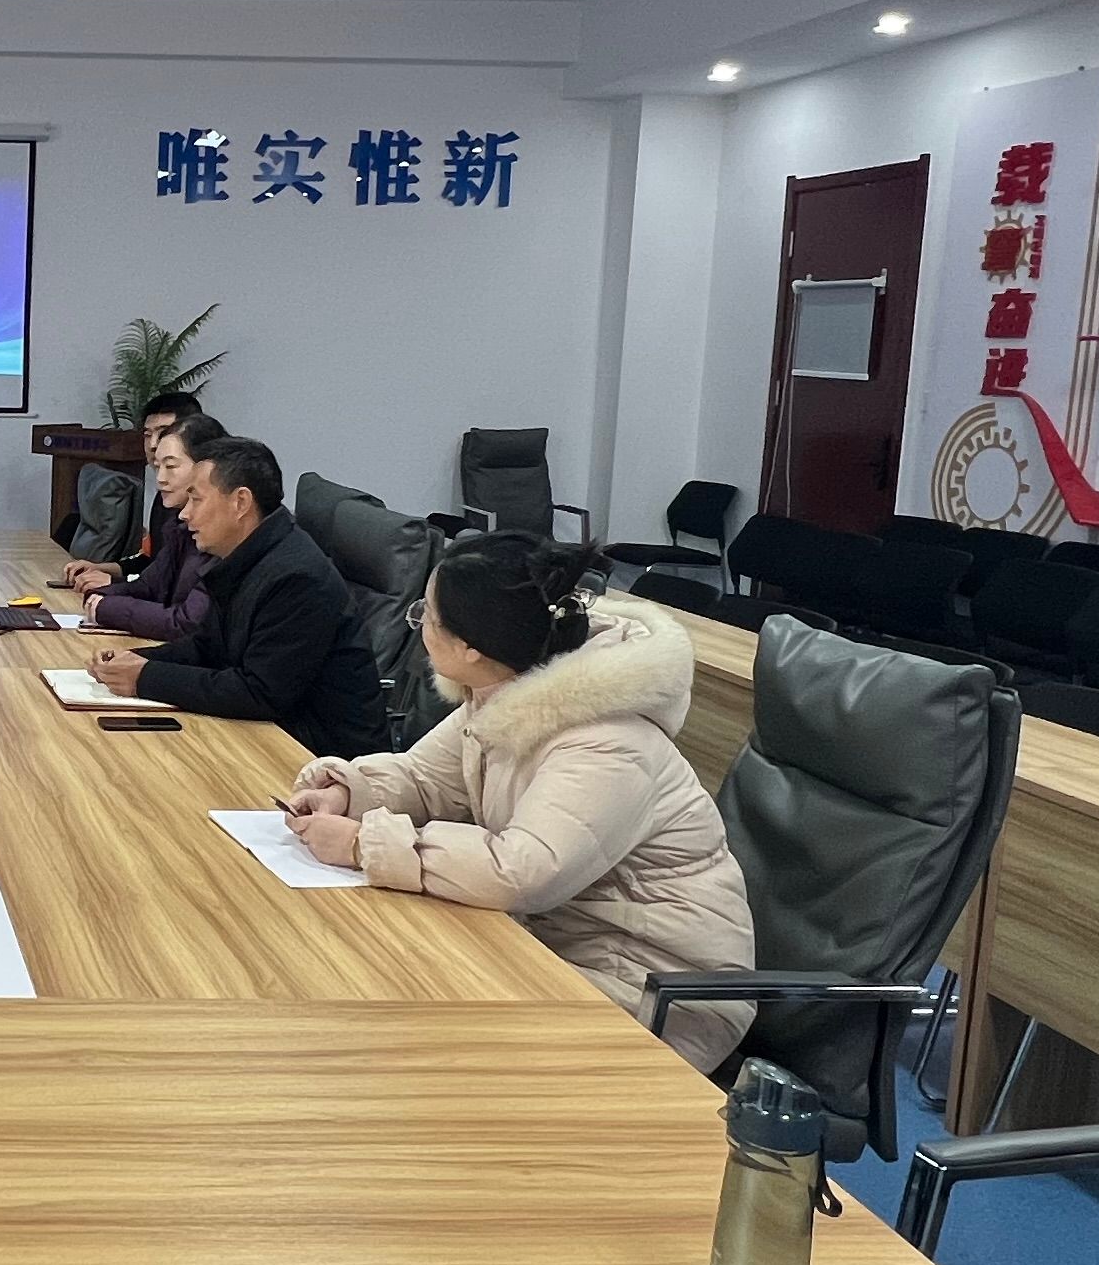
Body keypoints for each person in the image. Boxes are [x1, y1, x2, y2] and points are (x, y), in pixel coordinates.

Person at [281, 536, 757, 1069]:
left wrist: (362, 844)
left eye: (428, 615)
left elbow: (524, 872)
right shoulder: (507, 693)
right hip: (556, 943)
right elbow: (426, 777)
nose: (419, 625)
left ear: (471, 647)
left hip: (656, 987)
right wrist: (348, 792)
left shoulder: (607, 740)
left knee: (419, 1028)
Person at [86, 433, 387, 757]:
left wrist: (146, 677)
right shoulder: (245, 556)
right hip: (265, 737)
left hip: (317, 758)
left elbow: (260, 692)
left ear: (240, 503)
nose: (185, 514)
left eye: (197, 499)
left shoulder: (298, 577)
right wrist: (137, 661)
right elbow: (206, 647)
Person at [69, 410, 221, 645]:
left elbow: (187, 623)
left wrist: (107, 607)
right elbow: (149, 585)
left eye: (170, 466)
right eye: (158, 467)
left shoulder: (223, 535)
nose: (160, 478)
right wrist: (99, 596)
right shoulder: (179, 522)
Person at [61, 387, 206, 593]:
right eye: (147, 435)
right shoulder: (165, 496)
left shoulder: (208, 505)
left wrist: (116, 584)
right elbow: (154, 563)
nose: (153, 444)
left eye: (164, 433)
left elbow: (178, 587)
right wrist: (104, 569)